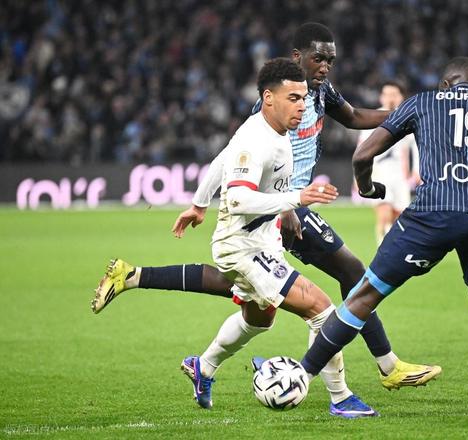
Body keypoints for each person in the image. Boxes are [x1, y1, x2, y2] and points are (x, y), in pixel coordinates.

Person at [92, 23, 440, 392]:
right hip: (283, 207)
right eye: (318, 58)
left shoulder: (320, 92)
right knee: (348, 273)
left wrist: (406, 114)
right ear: (297, 57)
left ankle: (140, 283)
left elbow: (353, 118)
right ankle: (383, 368)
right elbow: (236, 156)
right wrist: (285, 207)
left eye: (330, 60)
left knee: (248, 298)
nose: (325, 66)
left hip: (281, 208)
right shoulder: (273, 107)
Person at [297, 57, 468, 423]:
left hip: (431, 216)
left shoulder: (423, 102)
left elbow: (363, 154)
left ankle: (301, 376)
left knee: (365, 293)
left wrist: (367, 186)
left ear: (445, 85)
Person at [162, 58, 377, 416]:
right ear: (268, 98)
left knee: (260, 319)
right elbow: (238, 199)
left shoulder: (271, 129)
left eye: (304, 98)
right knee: (321, 309)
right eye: (293, 98)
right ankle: (341, 398)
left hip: (263, 240)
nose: (302, 106)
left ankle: (204, 366)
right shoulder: (256, 140)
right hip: (242, 246)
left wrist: (199, 204)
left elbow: (222, 160)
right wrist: (296, 198)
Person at [356, 81, 420, 244]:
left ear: (401, 97)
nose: (390, 98)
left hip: (399, 177)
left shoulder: (409, 117)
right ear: (381, 97)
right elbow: (361, 150)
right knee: (384, 215)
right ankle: (382, 250)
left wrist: (416, 170)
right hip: (379, 174)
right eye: (387, 94)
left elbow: (416, 146)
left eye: (394, 94)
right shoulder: (372, 119)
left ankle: (393, 249)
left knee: (399, 219)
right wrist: (357, 178)